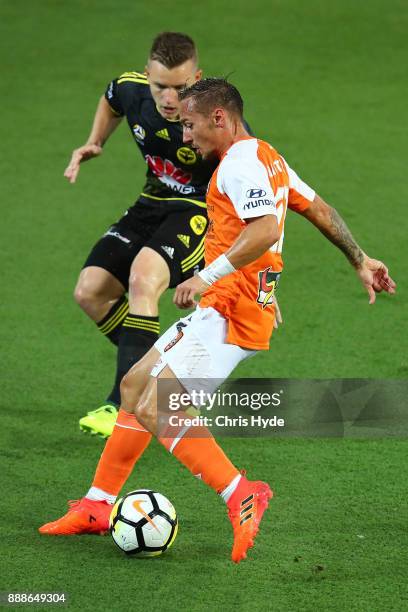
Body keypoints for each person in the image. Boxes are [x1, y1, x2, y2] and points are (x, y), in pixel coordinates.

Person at [40, 79, 396, 563]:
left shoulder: (241, 164)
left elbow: (266, 230)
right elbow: (318, 208)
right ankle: (97, 507)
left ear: (219, 119)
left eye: (189, 125)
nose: (185, 138)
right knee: (134, 385)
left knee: (155, 405)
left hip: (232, 312)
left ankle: (240, 493)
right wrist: (359, 258)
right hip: (230, 304)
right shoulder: (267, 155)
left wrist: (208, 277)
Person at [68, 32, 215, 438]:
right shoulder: (131, 89)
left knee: (142, 278)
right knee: (90, 290)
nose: (169, 99)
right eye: (160, 87)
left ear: (197, 79)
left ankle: (121, 406)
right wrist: (95, 141)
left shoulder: (215, 117)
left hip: (200, 211)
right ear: (147, 75)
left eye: (181, 88)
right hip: (153, 199)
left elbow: (252, 177)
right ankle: (165, 384)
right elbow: (112, 97)